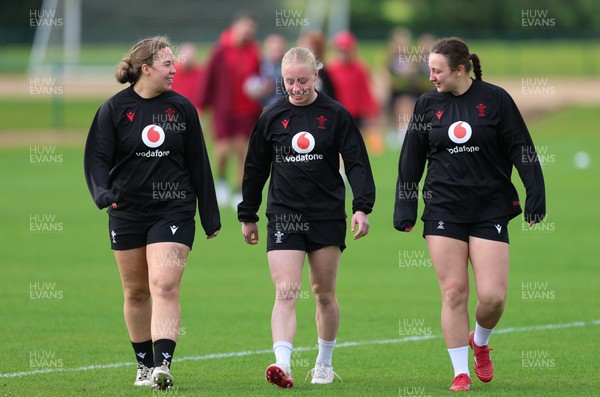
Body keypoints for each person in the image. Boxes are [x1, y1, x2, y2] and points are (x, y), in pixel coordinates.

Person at [393, 37, 546, 392]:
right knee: (454, 292)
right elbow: (411, 159)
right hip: (443, 208)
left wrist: (535, 193)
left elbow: (522, 148)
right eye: (429, 69)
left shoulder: (495, 100)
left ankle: (479, 342)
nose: (430, 76)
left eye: (437, 70)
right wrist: (405, 206)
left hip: (489, 207)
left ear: (460, 69)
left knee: (492, 297)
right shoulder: (427, 104)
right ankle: (460, 371)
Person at [84, 36, 220, 390]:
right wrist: (103, 193)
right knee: (135, 292)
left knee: (164, 284)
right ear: (146, 69)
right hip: (126, 210)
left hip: (173, 209)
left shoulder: (182, 108)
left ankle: (163, 365)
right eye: (167, 64)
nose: (175, 69)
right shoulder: (113, 110)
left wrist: (210, 215)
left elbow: (198, 163)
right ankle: (143, 366)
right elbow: (97, 158)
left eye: (174, 64)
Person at [238, 47, 376, 388]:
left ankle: (324, 363)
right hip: (284, 214)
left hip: (327, 214)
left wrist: (362, 206)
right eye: (288, 81)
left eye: (302, 80)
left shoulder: (336, 114)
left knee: (323, 293)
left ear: (316, 75)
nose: (296, 88)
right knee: (286, 291)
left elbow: (357, 162)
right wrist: (248, 214)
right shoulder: (271, 117)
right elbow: (255, 168)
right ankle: (282, 365)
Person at [200, 13, 262, 209]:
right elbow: (207, 78)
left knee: (243, 150)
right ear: (235, 28)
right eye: (245, 29)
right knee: (223, 150)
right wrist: (202, 106)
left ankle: (238, 190)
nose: (248, 33)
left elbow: (260, 75)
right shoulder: (220, 50)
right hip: (223, 109)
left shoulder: (254, 51)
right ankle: (221, 181)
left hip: (247, 109)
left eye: (251, 30)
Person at [327, 30, 383, 155]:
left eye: (347, 50)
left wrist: (372, 112)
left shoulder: (360, 68)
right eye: (341, 50)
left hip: (356, 115)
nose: (344, 54)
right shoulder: (331, 69)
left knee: (356, 147)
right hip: (337, 113)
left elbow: (365, 92)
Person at [244, 33, 288, 107]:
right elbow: (250, 86)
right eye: (274, 49)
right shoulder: (259, 64)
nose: (277, 52)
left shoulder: (289, 65)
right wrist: (260, 89)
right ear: (267, 49)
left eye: (280, 49)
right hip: (263, 109)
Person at [297, 30, 336, 100]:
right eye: (302, 43)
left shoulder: (323, 72)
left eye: (307, 44)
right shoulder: (293, 69)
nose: (302, 47)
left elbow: (330, 95)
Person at [172, 42, 203, 112]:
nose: (187, 63)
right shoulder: (171, 72)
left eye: (190, 59)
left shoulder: (200, 73)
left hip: (193, 110)